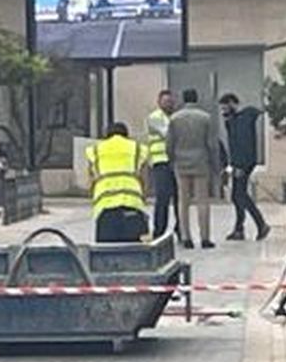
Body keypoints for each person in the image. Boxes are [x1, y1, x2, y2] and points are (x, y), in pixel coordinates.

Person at [166, 89, 222, 249]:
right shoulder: (205, 118)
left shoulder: (174, 119)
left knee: (183, 201)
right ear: (196, 99)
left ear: (183, 99)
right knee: (202, 201)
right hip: (201, 162)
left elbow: (169, 143)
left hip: (181, 162)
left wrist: (171, 159)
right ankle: (205, 238)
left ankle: (186, 237)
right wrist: (216, 165)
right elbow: (212, 144)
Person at [84, 121, 149, 243]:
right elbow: (144, 179)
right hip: (133, 205)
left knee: (107, 250)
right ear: (127, 135)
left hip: (105, 208)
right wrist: (143, 198)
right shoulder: (137, 148)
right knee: (135, 250)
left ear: (106, 135)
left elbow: (90, 181)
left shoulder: (95, 150)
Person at [219, 93, 270, 242]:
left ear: (232, 103)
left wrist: (240, 165)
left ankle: (261, 224)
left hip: (243, 163)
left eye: (225, 107)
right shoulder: (233, 120)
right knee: (237, 195)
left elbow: (242, 144)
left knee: (240, 195)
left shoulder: (243, 119)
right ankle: (239, 228)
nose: (223, 112)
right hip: (239, 163)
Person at [145, 88, 180, 240]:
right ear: (159, 102)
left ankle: (181, 229)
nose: (169, 104)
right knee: (163, 198)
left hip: (177, 161)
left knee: (180, 198)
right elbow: (167, 133)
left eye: (171, 101)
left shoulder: (177, 117)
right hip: (161, 162)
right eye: (166, 101)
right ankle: (159, 231)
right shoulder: (155, 118)